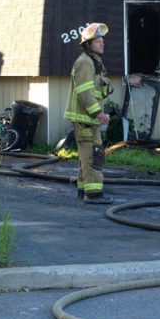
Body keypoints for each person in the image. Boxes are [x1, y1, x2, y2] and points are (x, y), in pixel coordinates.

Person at [64, 23, 114, 204]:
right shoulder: (85, 62)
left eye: (102, 41)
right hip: (86, 118)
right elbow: (84, 92)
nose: (102, 44)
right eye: (98, 41)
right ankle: (93, 194)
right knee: (93, 154)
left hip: (88, 118)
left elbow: (93, 90)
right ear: (88, 44)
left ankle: (83, 188)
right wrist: (98, 113)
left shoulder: (93, 61)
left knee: (88, 154)